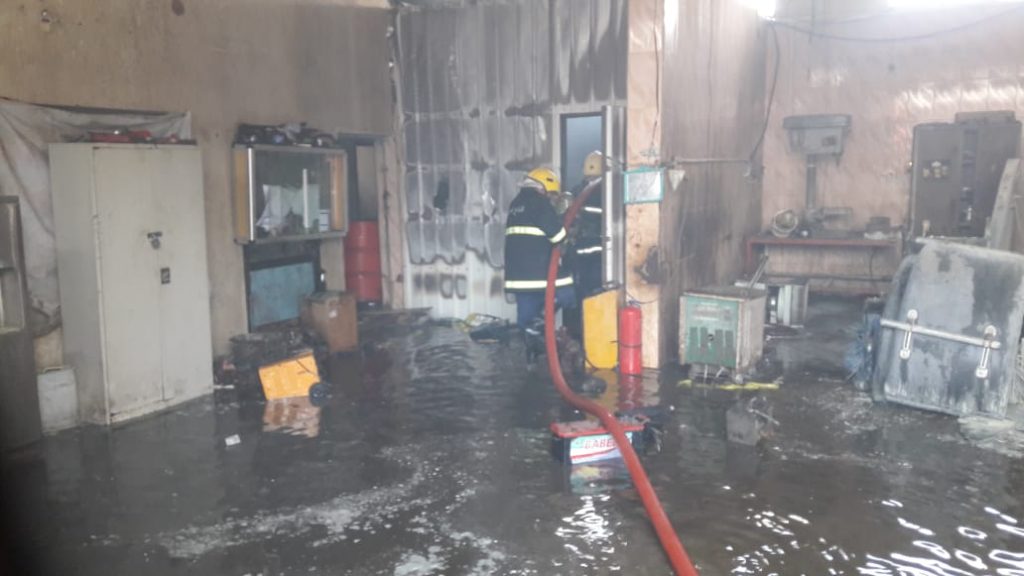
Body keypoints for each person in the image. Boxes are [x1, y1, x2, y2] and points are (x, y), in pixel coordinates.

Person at [503, 167, 576, 329]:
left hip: (518, 276)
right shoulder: (539, 203)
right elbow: (557, 235)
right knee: (568, 293)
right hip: (539, 272)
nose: (551, 198)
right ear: (543, 188)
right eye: (551, 194)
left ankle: (533, 336)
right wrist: (563, 222)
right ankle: (542, 317)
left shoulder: (516, 203)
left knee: (526, 321)